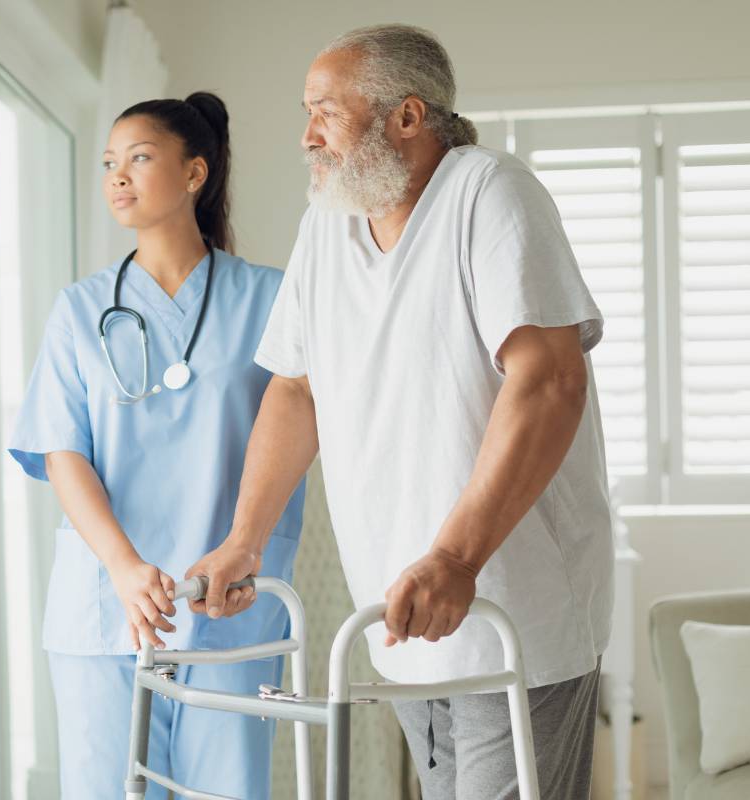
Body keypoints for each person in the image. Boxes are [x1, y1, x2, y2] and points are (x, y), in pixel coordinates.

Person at [187, 25, 614, 800]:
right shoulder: (330, 222)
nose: (306, 134)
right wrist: (244, 540)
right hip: (402, 617)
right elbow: (296, 387)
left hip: (511, 613)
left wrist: (455, 559)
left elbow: (549, 381)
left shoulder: (491, 192)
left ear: (407, 117)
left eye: (324, 110)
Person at [6, 91, 305, 799]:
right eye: (110, 162)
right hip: (105, 608)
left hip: (230, 608)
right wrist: (123, 566)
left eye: (139, 158)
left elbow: (302, 424)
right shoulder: (80, 309)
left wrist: (244, 541)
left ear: (195, 173)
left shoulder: (271, 298)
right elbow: (60, 450)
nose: (117, 175)